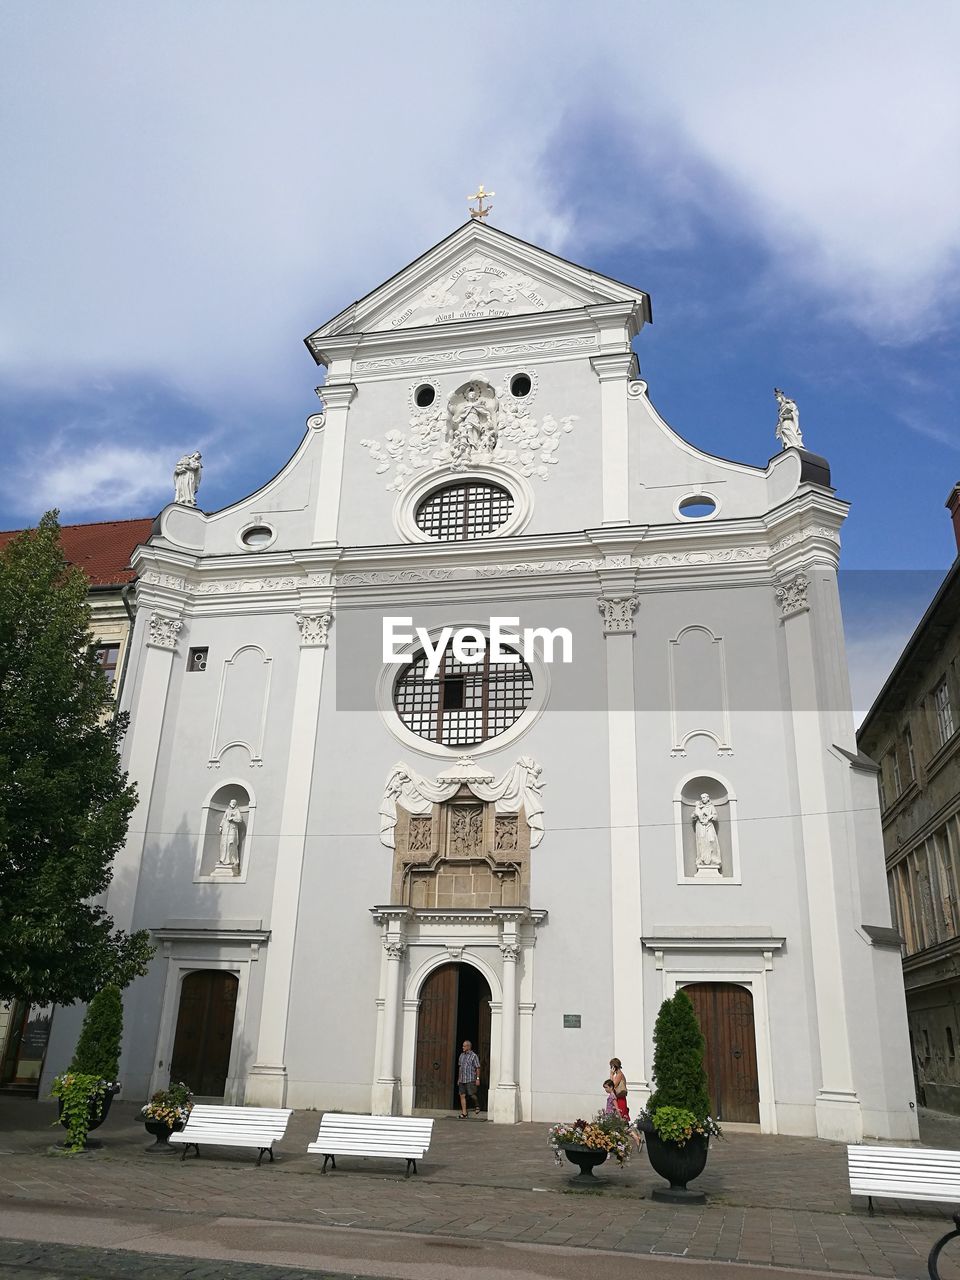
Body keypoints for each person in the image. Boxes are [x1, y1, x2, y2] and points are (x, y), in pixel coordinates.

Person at [693, 793, 722, 869]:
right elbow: (693, 816)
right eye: (702, 798)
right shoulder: (699, 807)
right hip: (700, 826)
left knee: (711, 840)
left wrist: (710, 817)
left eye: (704, 797)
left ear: (708, 798)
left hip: (709, 825)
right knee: (701, 842)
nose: (703, 799)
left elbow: (715, 816)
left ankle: (713, 858)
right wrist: (696, 814)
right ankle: (702, 859)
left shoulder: (711, 806)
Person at [457, 1039, 481, 1118]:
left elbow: (477, 1067)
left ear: (468, 1046)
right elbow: (460, 1067)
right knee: (462, 1095)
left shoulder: (474, 1056)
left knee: (472, 1094)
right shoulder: (461, 1055)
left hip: (470, 1078)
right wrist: (459, 1078)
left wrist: (477, 1078)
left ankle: (477, 1105)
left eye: (464, 1046)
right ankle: (464, 1113)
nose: (462, 1047)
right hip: (462, 1079)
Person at [217, 799, 243, 870]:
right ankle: (223, 859)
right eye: (232, 802)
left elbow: (240, 819)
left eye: (234, 803)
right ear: (230, 803)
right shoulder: (227, 810)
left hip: (232, 828)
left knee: (231, 843)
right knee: (224, 843)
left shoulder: (237, 811)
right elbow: (224, 819)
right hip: (226, 828)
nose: (233, 804)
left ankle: (231, 860)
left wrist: (233, 818)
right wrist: (220, 826)